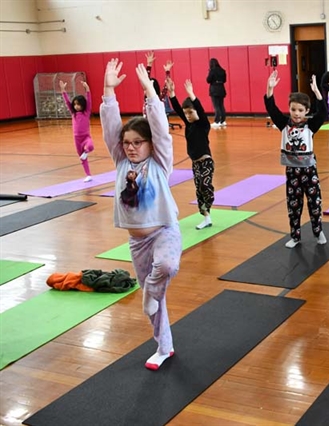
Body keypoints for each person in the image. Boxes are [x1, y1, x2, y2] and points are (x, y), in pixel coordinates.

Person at [100, 58, 182, 370]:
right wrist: (109, 91)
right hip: (137, 243)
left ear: (149, 144)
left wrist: (149, 90)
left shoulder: (160, 162)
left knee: (166, 265)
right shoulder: (121, 163)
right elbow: (110, 127)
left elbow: (161, 130)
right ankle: (164, 347)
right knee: (154, 307)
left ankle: (151, 289)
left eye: (138, 142)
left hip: (164, 231)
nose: (132, 148)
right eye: (127, 143)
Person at [264, 70, 327, 248]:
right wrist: (270, 90)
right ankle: (295, 235)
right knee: (294, 205)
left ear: (307, 111)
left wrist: (317, 93)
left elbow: (322, 114)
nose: (296, 113)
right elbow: (272, 109)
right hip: (292, 171)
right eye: (293, 109)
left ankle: (318, 231)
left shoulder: (310, 126)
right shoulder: (284, 124)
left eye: (300, 110)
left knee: (315, 203)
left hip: (309, 170)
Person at [167, 77, 215, 230]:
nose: (187, 115)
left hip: (206, 161)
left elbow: (199, 110)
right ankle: (206, 217)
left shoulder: (203, 125)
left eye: (190, 112)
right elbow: (177, 108)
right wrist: (172, 93)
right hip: (195, 163)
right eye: (186, 113)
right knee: (199, 190)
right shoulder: (188, 125)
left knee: (205, 185)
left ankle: (209, 201)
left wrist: (192, 94)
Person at [59, 79, 94, 182]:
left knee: (90, 146)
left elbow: (89, 100)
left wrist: (87, 89)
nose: (76, 106)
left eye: (78, 104)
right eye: (75, 105)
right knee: (82, 158)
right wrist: (63, 91)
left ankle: (87, 151)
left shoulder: (86, 112)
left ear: (83, 105)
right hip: (76, 138)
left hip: (86, 136)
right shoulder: (73, 113)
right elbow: (67, 102)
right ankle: (88, 174)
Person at [206, 58, 227, 128]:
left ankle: (217, 121)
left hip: (214, 89)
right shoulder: (222, 70)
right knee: (221, 105)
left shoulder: (212, 71)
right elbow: (224, 80)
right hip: (221, 88)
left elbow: (208, 80)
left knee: (216, 106)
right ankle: (223, 121)